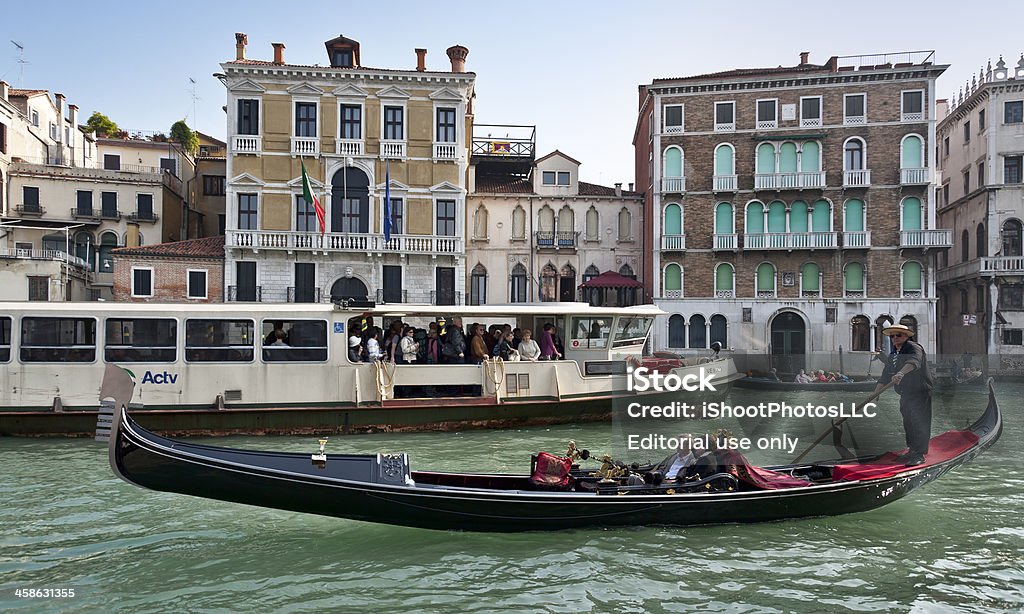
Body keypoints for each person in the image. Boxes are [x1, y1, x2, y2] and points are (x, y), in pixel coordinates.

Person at [873, 324, 934, 467]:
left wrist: (901, 373)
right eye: (892, 336)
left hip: (920, 391)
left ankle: (919, 454)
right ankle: (912, 450)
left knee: (919, 421)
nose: (894, 338)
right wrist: (875, 393)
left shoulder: (914, 347)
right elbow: (885, 376)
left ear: (906, 336)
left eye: (898, 335)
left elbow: (914, 362)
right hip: (906, 393)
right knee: (908, 422)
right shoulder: (893, 354)